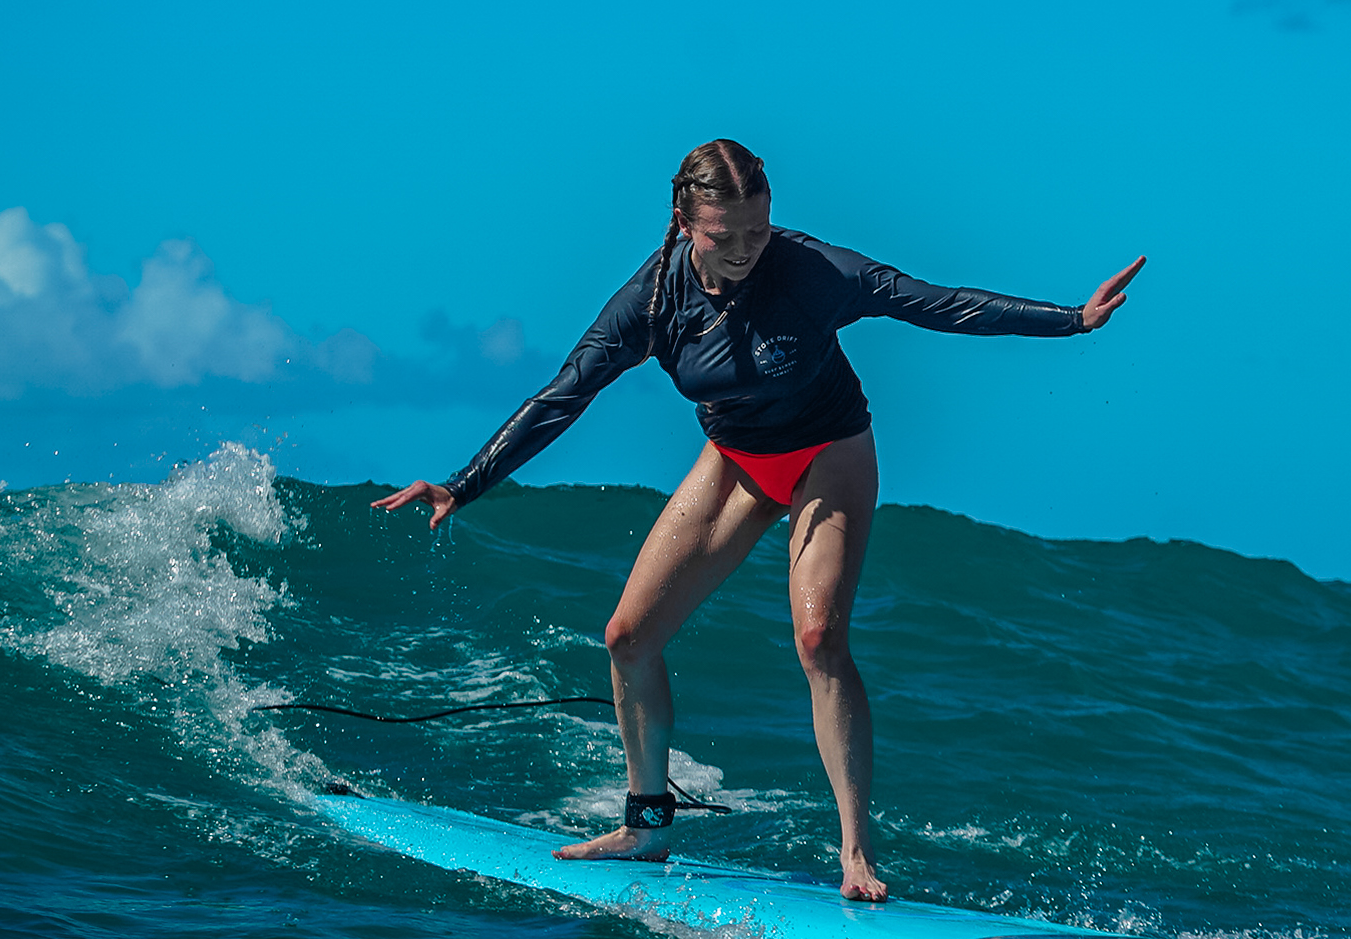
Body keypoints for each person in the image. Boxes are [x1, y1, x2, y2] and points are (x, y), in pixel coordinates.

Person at [373, 139, 1142, 900]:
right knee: (628, 638)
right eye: (724, 235)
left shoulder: (814, 272)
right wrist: (462, 485)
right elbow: (564, 394)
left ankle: (855, 853)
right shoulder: (651, 302)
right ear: (683, 224)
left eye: (758, 229)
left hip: (828, 451)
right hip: (736, 459)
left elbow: (932, 302)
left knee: (819, 638)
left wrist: (1072, 319)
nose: (745, 249)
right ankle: (647, 826)